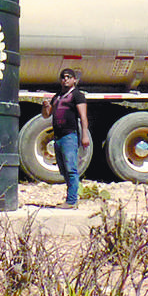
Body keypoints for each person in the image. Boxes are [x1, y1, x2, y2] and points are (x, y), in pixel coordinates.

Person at [46, 67, 90, 207]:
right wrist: (45, 106)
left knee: (71, 168)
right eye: (63, 77)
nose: (65, 79)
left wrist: (84, 135)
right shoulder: (57, 96)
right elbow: (46, 114)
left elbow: (83, 117)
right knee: (63, 169)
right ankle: (70, 197)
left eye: (69, 77)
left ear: (74, 80)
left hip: (69, 136)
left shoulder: (77, 95)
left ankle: (71, 201)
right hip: (58, 137)